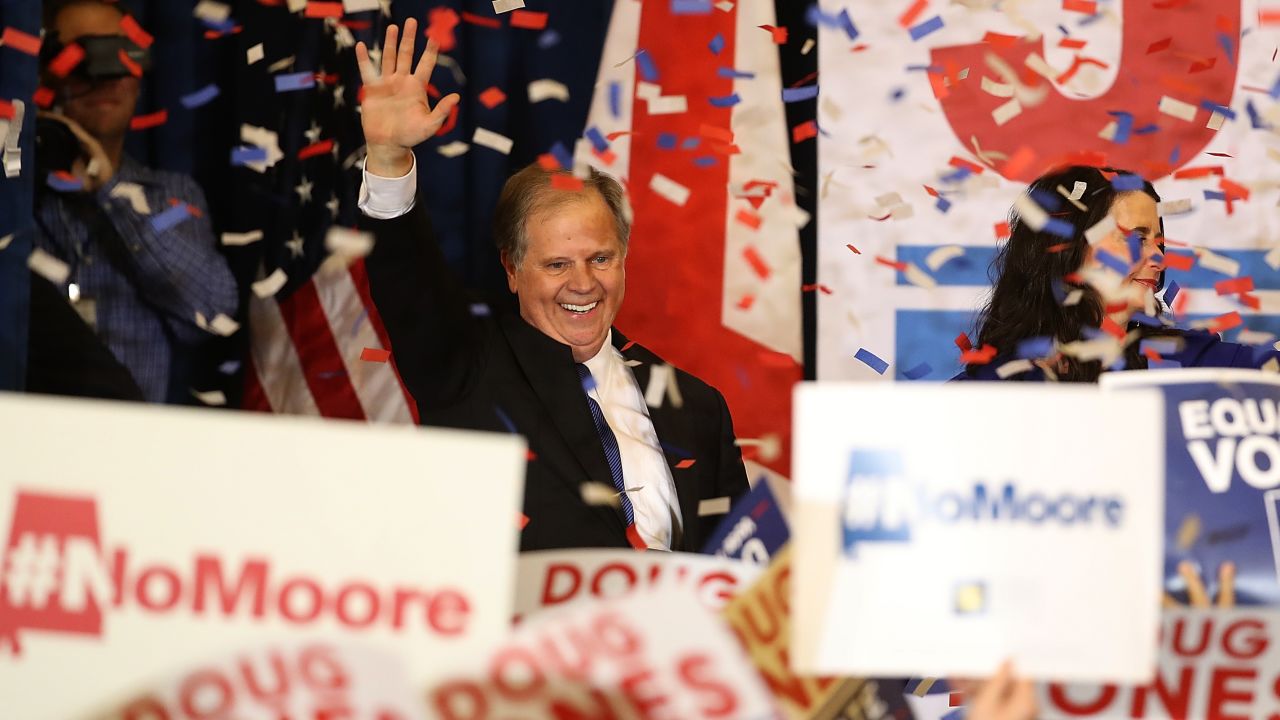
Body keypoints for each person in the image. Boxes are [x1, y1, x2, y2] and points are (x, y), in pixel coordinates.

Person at [353, 20, 749, 552]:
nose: (583, 283)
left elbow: (738, 572)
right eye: (557, 264)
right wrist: (388, 160)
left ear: (624, 258)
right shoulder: (467, 363)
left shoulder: (700, 406)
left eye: (600, 258)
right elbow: (409, 282)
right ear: (512, 269)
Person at [33, 0, 237, 403]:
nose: (107, 76)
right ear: (45, 71)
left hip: (135, 448)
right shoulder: (14, 197)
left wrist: (110, 189)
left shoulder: (170, 195)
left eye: (122, 55)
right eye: (84, 56)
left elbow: (214, 311)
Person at [958, 165, 1277, 382]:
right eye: (1136, 239)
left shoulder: (1190, 363)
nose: (1159, 258)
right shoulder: (988, 390)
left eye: (1158, 241)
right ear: (1065, 246)